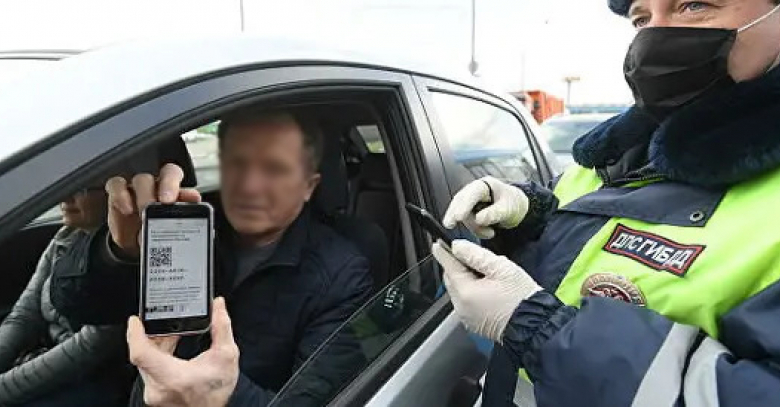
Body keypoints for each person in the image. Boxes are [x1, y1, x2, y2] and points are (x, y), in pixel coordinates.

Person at [431, 0, 780, 406]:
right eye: (641, 18)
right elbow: (579, 245)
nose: (655, 34)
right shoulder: (617, 155)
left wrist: (542, 332)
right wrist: (531, 215)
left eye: (693, 5)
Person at [51, 109, 373, 406]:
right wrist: (120, 251)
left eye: (274, 169)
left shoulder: (343, 277)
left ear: (308, 186)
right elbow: (71, 303)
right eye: (237, 164)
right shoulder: (186, 225)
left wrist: (223, 394)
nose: (249, 186)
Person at [0, 173, 147, 406]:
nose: (66, 195)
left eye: (82, 188)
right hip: (48, 358)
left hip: (94, 378)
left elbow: (92, 348)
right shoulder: (66, 237)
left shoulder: (126, 262)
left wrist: (5, 387)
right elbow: (24, 314)